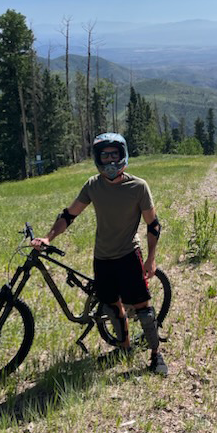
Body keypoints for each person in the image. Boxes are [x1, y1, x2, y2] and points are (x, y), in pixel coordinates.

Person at [31, 132, 168, 376]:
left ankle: (156, 355)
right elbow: (69, 215)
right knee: (113, 308)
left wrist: (151, 258)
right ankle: (124, 348)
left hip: (129, 255)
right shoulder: (93, 185)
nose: (110, 161)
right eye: (105, 156)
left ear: (123, 154)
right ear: (98, 159)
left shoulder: (138, 186)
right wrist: (48, 237)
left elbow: (153, 224)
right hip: (102, 257)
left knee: (144, 310)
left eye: (114, 155)